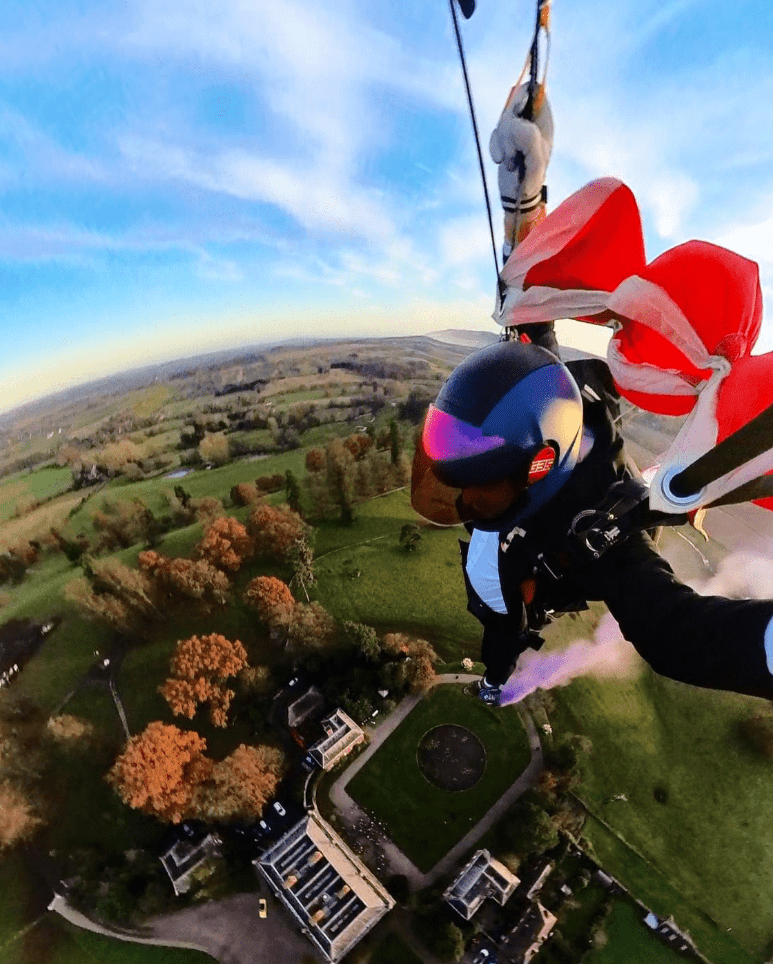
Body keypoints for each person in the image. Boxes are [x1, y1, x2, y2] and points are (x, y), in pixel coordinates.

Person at [410, 340, 773, 704]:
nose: (468, 499)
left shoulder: (604, 538)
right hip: (518, 558)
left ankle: (495, 679)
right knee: (498, 611)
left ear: (538, 466)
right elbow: (533, 363)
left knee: (505, 624)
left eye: (484, 485)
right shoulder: (547, 404)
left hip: (543, 575)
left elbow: (675, 635)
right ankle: (495, 674)